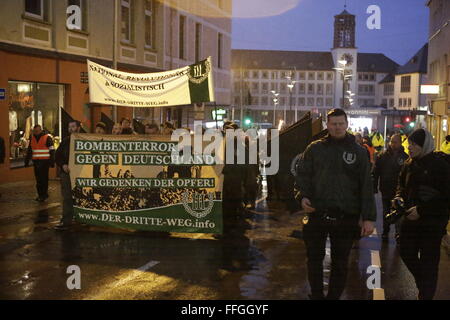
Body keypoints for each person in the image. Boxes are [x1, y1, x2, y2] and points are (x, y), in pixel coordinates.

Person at [295, 108, 376, 300]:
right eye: (334, 123)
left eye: (341, 123)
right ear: (327, 125)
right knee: (314, 260)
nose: (337, 127)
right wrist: (302, 196)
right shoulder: (315, 149)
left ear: (347, 124)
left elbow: (366, 185)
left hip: (345, 216)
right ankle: (316, 295)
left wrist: (369, 218)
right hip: (317, 213)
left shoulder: (358, 152)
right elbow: (302, 176)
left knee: (340, 263)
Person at [394, 128, 450, 300]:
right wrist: (398, 199)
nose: (409, 147)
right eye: (409, 144)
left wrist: (421, 210)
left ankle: (426, 294)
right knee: (405, 251)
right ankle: (423, 283)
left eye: (414, 144)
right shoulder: (408, 164)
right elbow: (401, 187)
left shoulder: (440, 166)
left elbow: (446, 198)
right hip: (409, 221)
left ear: (424, 145)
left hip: (431, 225)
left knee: (429, 263)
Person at [372, 133, 408, 241]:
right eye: (391, 142)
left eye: (395, 142)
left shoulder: (405, 157)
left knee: (399, 212)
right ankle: (385, 231)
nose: (393, 144)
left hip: (399, 191)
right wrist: (374, 186)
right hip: (386, 188)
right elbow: (376, 172)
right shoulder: (382, 156)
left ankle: (398, 233)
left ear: (400, 143)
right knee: (386, 212)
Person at [54, 120, 81, 230]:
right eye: (69, 126)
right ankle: (66, 220)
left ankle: (82, 219)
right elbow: (58, 155)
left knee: (81, 196)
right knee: (67, 197)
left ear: (78, 128)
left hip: (79, 173)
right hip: (66, 173)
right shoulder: (65, 141)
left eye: (73, 126)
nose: (71, 128)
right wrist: (63, 165)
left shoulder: (84, 140)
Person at [24, 125, 55, 202]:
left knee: (43, 179)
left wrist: (52, 161)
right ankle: (41, 194)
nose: (36, 133)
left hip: (45, 162)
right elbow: (29, 151)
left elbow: (52, 150)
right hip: (36, 162)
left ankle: (43, 195)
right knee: (38, 180)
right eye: (35, 131)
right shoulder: (32, 138)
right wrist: (26, 161)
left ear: (41, 130)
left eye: (37, 131)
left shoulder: (47, 138)